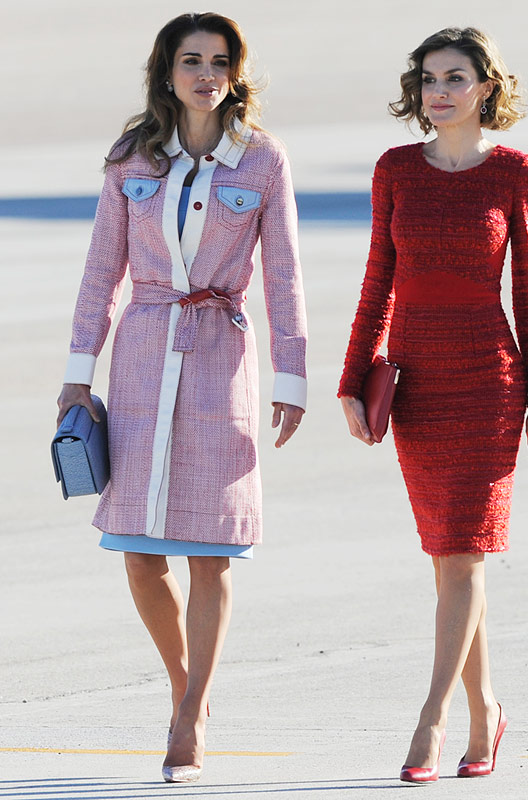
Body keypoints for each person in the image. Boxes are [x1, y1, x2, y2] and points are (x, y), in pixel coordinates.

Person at [57, 12, 307, 783]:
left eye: (220, 61)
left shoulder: (262, 159)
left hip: (219, 358)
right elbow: (103, 271)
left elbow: (285, 277)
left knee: (210, 551)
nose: (206, 74)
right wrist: (77, 372)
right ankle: (181, 685)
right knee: (136, 552)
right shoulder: (131, 157)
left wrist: (290, 379)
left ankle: (192, 714)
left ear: (236, 72)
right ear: (166, 71)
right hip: (139, 355)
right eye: (191, 60)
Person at [338, 27, 528, 783]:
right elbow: (377, 280)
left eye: (456, 77)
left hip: (488, 381)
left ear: (486, 88)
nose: (439, 91)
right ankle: (486, 712)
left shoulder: (514, 173)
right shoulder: (396, 169)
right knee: (449, 563)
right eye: (429, 78)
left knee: (462, 555)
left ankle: (429, 722)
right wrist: (352, 377)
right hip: (415, 383)